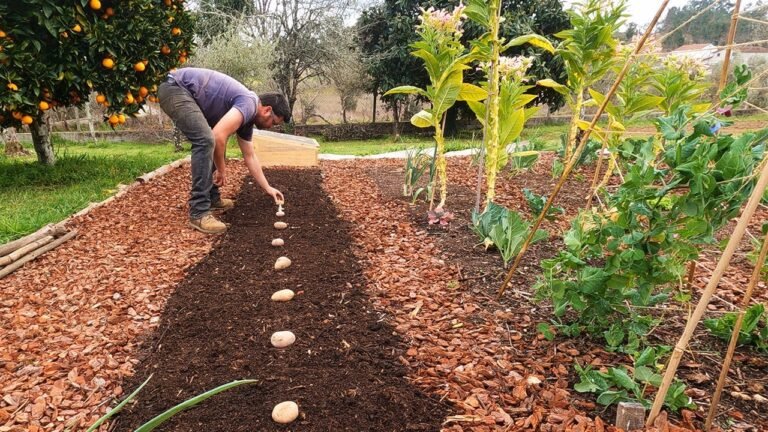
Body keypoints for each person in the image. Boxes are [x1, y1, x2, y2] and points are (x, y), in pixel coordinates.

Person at [158, 67, 291, 234]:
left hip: (180, 90)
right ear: (267, 110)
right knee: (206, 140)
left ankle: (212, 196)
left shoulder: (247, 119)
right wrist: (221, 169)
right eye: (273, 122)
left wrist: (267, 187)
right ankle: (199, 211)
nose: (271, 127)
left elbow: (249, 156)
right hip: (175, 88)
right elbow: (218, 136)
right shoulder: (249, 103)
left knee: (215, 145)